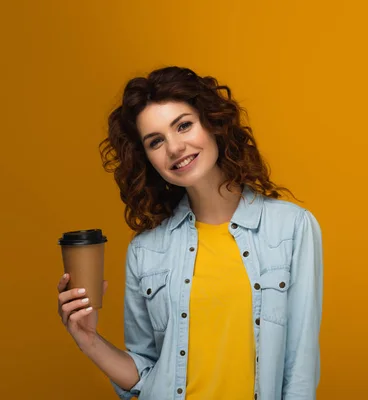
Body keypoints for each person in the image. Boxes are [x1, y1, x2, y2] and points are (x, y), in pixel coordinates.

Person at [56, 66, 323, 400]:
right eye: (156, 141)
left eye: (183, 125)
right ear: (148, 158)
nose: (175, 148)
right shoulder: (146, 250)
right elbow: (145, 373)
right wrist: (89, 340)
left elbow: (299, 370)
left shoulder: (292, 228)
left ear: (212, 123)